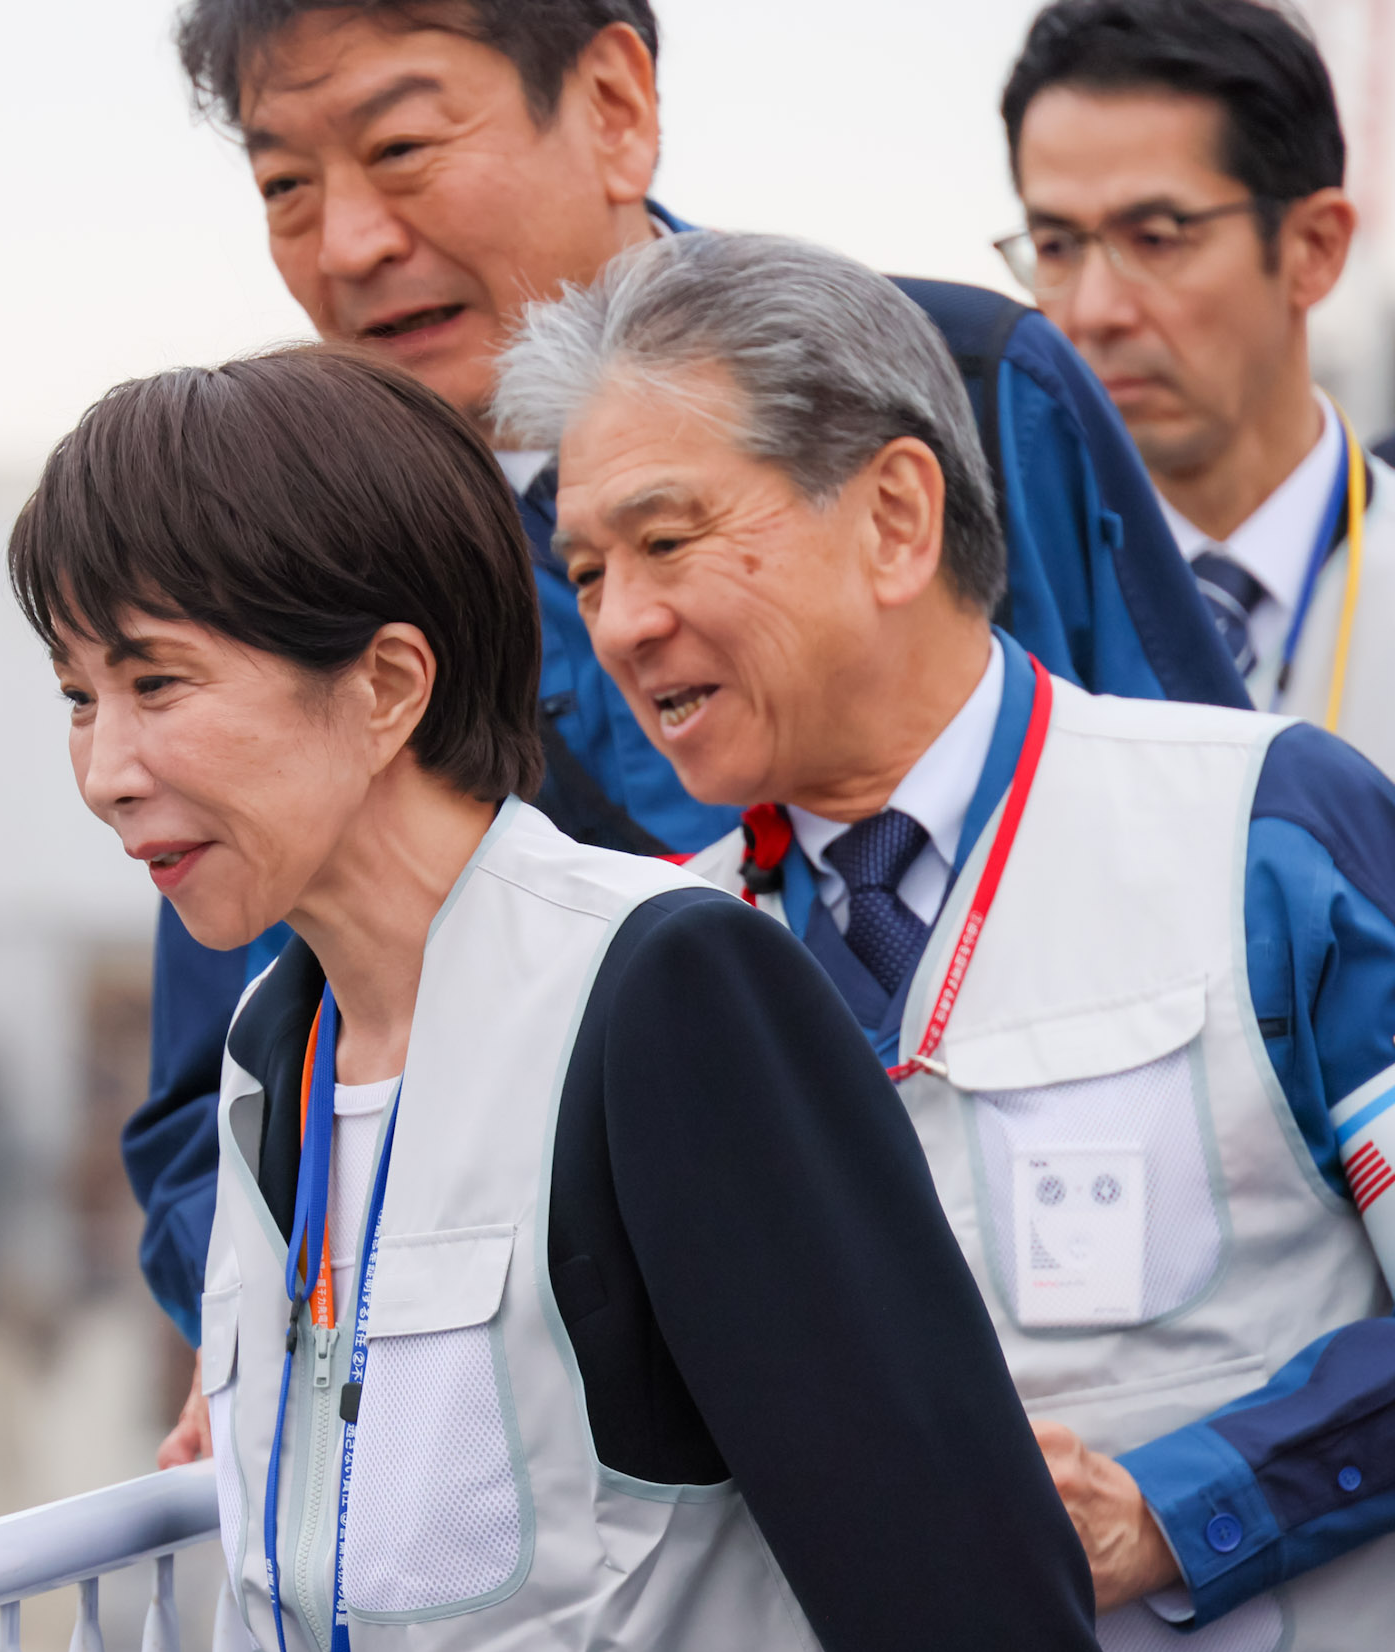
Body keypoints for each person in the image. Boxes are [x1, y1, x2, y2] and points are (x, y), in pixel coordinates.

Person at [127, 0, 1245, 1407]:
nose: (346, 242)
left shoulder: (959, 387)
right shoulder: (289, 568)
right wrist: (291, 1311)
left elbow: (1219, 866)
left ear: (613, 101)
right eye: (285, 183)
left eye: (401, 146)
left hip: (1131, 1385)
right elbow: (203, 1130)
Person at [10, 343, 1119, 1652]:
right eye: (75, 696)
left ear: (387, 686)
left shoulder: (660, 988)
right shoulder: (269, 1048)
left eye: (156, 683)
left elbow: (974, 1624)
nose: (107, 770)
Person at [502, 227, 1395, 1652]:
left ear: (899, 516)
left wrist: (1185, 1507)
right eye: (587, 571)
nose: (619, 622)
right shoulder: (654, 965)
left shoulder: (1257, 825)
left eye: (667, 540)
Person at [1002, 0, 1395, 768]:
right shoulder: (978, 629)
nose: (1092, 311)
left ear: (1315, 247)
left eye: (1155, 239)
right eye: (1055, 245)